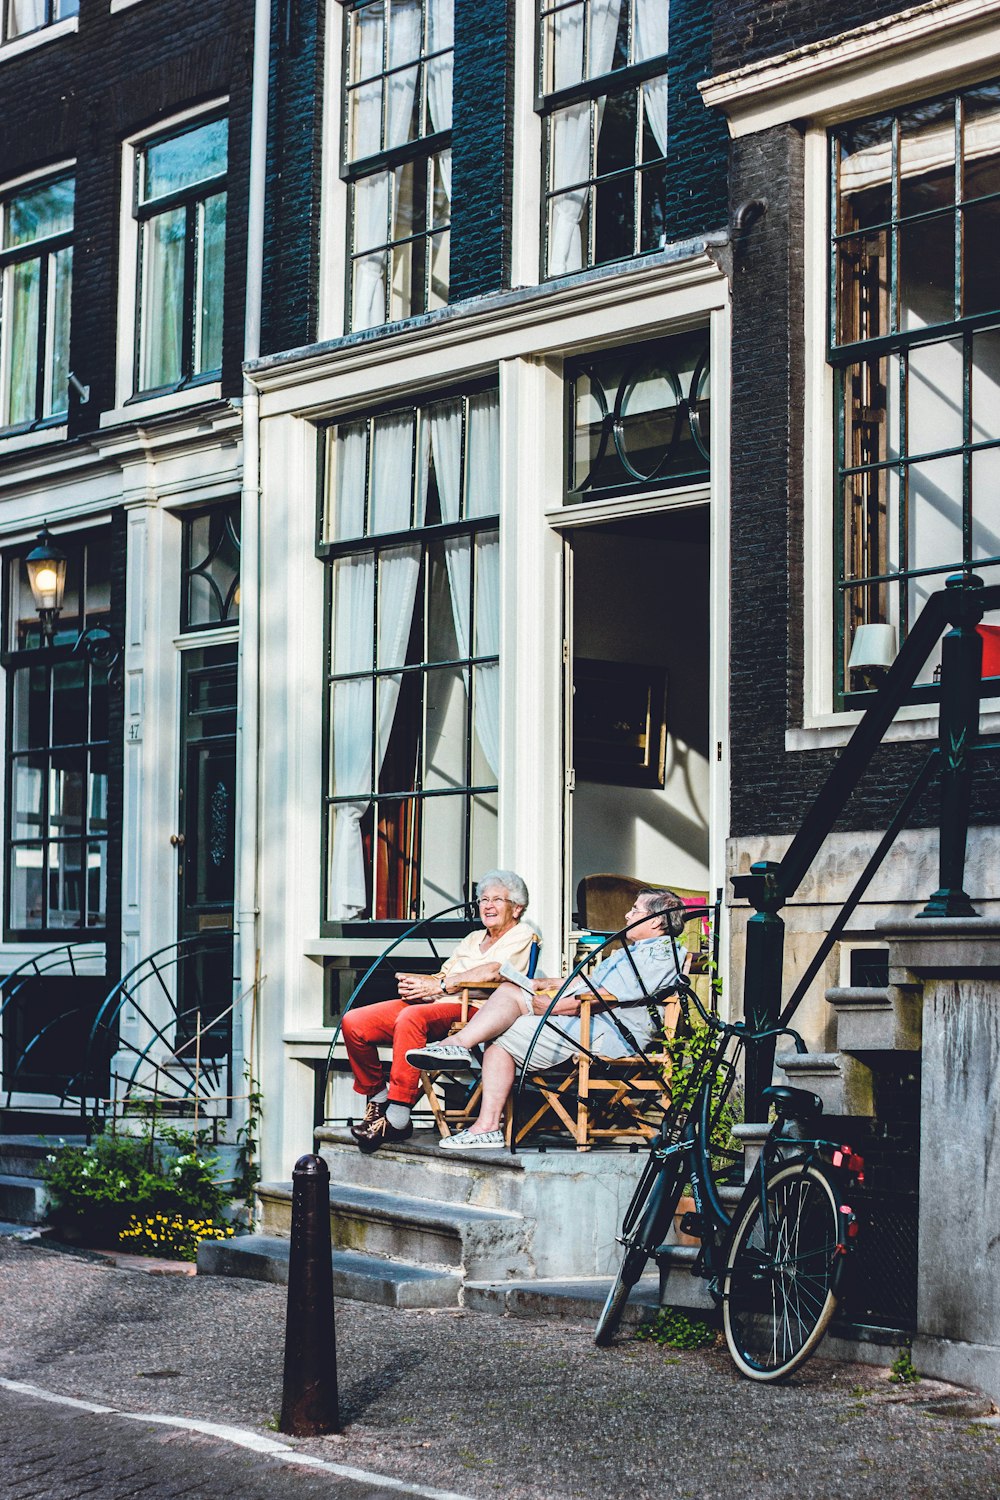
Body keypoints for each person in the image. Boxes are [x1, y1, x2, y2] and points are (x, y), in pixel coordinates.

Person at [405, 889, 688, 1150]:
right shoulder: (635, 951)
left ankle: (485, 1121)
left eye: (636, 910)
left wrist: (551, 1006)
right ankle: (459, 1050)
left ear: (656, 921)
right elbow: (591, 982)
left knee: (501, 1034)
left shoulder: (659, 953)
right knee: (510, 990)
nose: (628, 915)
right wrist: (546, 983)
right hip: (587, 1022)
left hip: (605, 1032)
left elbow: (603, 996)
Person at [341, 870, 536, 1152]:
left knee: (410, 1018)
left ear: (516, 908)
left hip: (475, 1010)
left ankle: (397, 1115)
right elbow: (442, 975)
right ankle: (379, 1096)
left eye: (497, 899)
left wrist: (440, 986)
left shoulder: (523, 935)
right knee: (354, 1022)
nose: (488, 905)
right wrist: (420, 986)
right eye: (483, 899)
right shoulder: (471, 939)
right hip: (438, 1003)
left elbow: (495, 972)